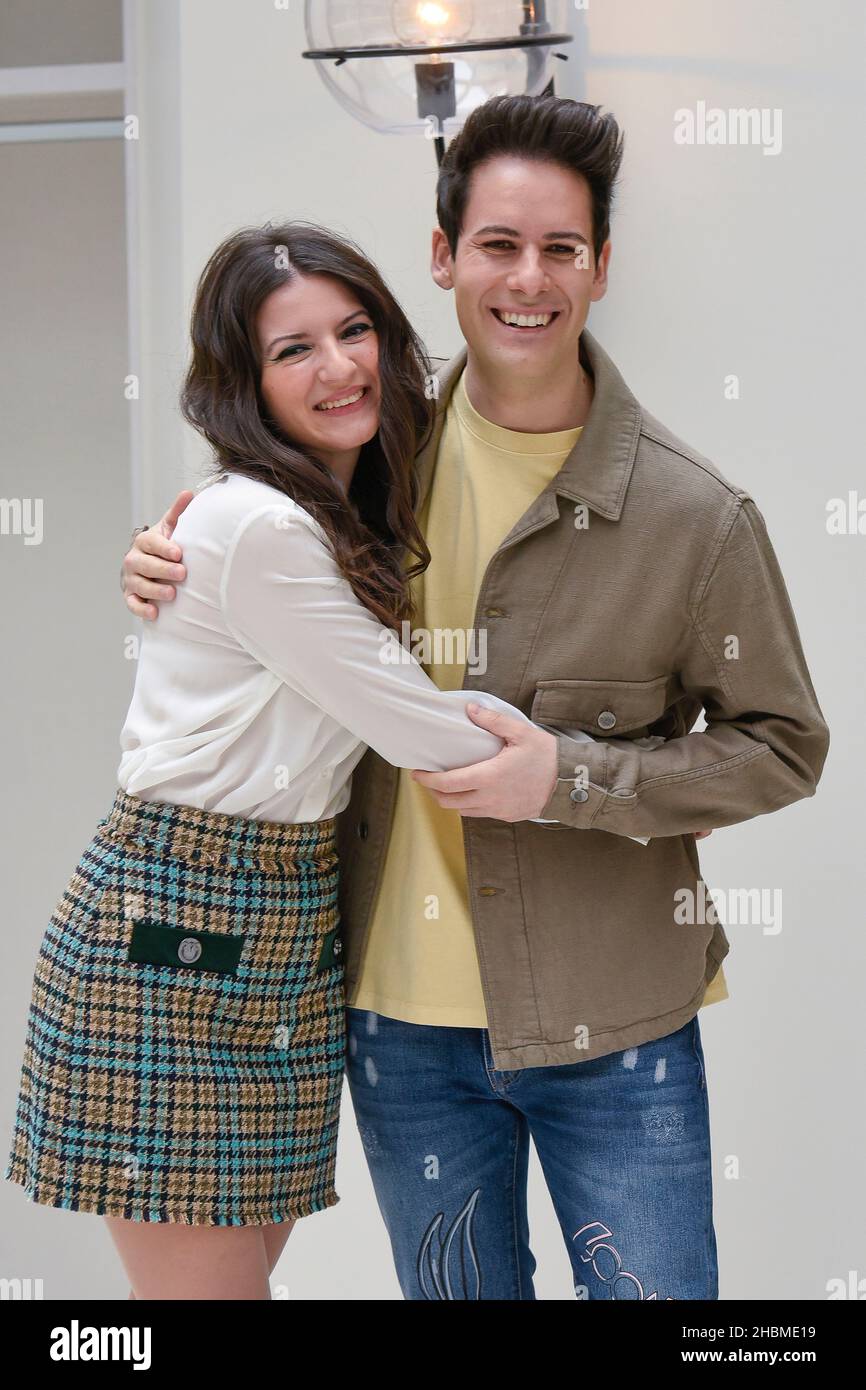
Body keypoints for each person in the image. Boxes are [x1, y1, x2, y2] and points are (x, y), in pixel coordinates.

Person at [121, 95, 829, 1300]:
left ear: (602, 267)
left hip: (617, 1027)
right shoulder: (360, 456)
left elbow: (779, 748)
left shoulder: (693, 519)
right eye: (497, 244)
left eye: (561, 248)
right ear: (443, 256)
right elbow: (255, 566)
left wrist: (578, 776)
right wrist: (162, 560)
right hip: (396, 1026)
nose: (528, 279)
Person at [4, 220, 555, 1301]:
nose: (338, 365)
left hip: (287, 929)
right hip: (169, 936)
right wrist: (593, 764)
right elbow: (418, 731)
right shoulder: (256, 525)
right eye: (291, 348)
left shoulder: (344, 511)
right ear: (242, 382)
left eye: (353, 329)